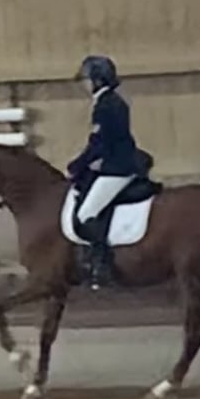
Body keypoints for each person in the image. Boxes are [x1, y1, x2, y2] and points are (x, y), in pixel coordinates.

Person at [66, 55, 147, 290]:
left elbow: (99, 143)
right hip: (118, 163)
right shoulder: (111, 101)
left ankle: (102, 264)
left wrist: (77, 165)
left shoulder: (106, 104)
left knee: (86, 214)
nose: (84, 85)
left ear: (98, 80)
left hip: (117, 169)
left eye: (86, 79)